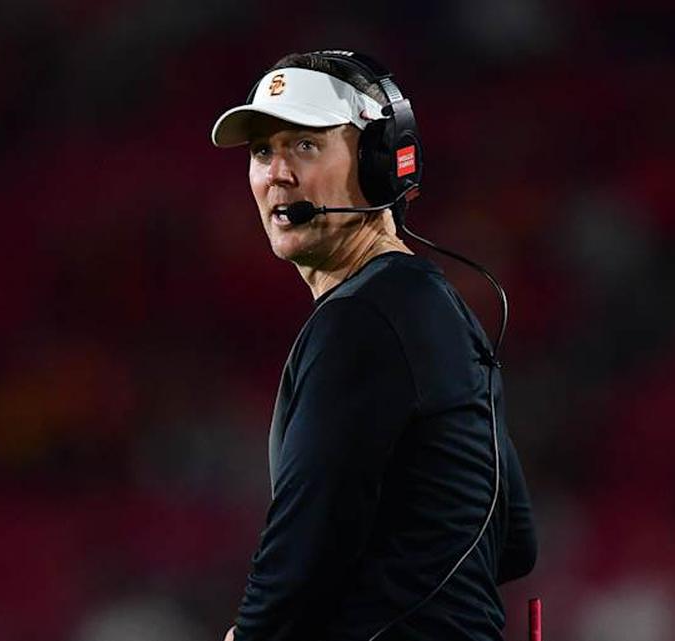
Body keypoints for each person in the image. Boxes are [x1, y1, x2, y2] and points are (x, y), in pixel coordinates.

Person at [210, 50, 537, 641]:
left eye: (305, 145)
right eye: (263, 151)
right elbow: (514, 542)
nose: (277, 172)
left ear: (382, 163)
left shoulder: (362, 321)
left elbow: (306, 538)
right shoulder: (430, 307)